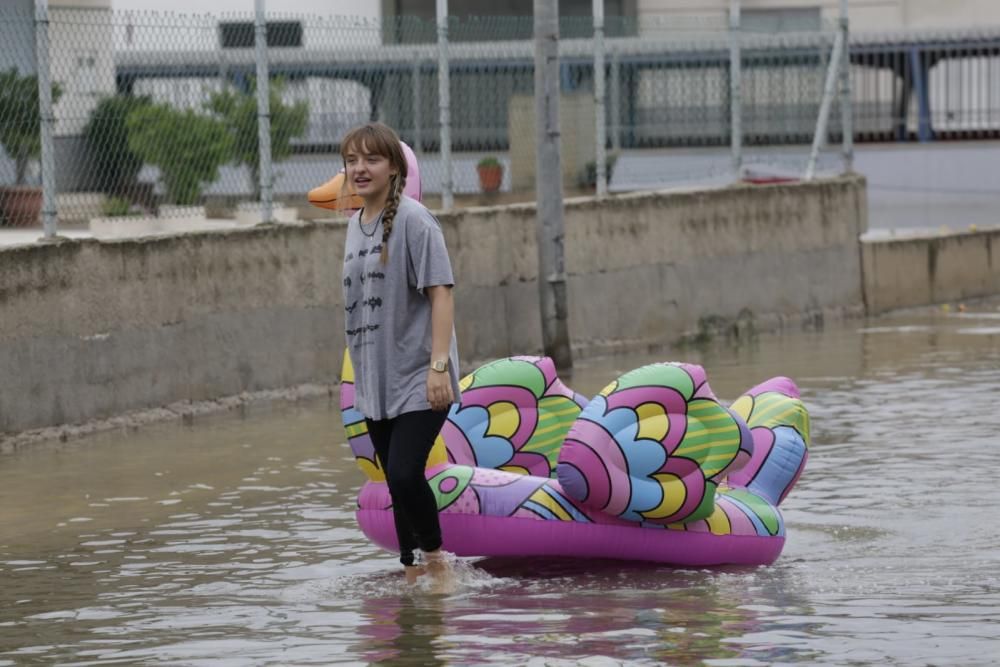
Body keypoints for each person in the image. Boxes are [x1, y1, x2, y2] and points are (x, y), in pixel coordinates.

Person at [339, 122, 460, 586]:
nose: (360, 169)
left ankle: (438, 563)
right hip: (375, 381)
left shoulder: (415, 219)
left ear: (394, 167)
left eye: (371, 159)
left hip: (421, 375)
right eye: (352, 161)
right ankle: (412, 573)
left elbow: (442, 293)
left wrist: (438, 367)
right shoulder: (355, 226)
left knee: (408, 473)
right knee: (394, 481)